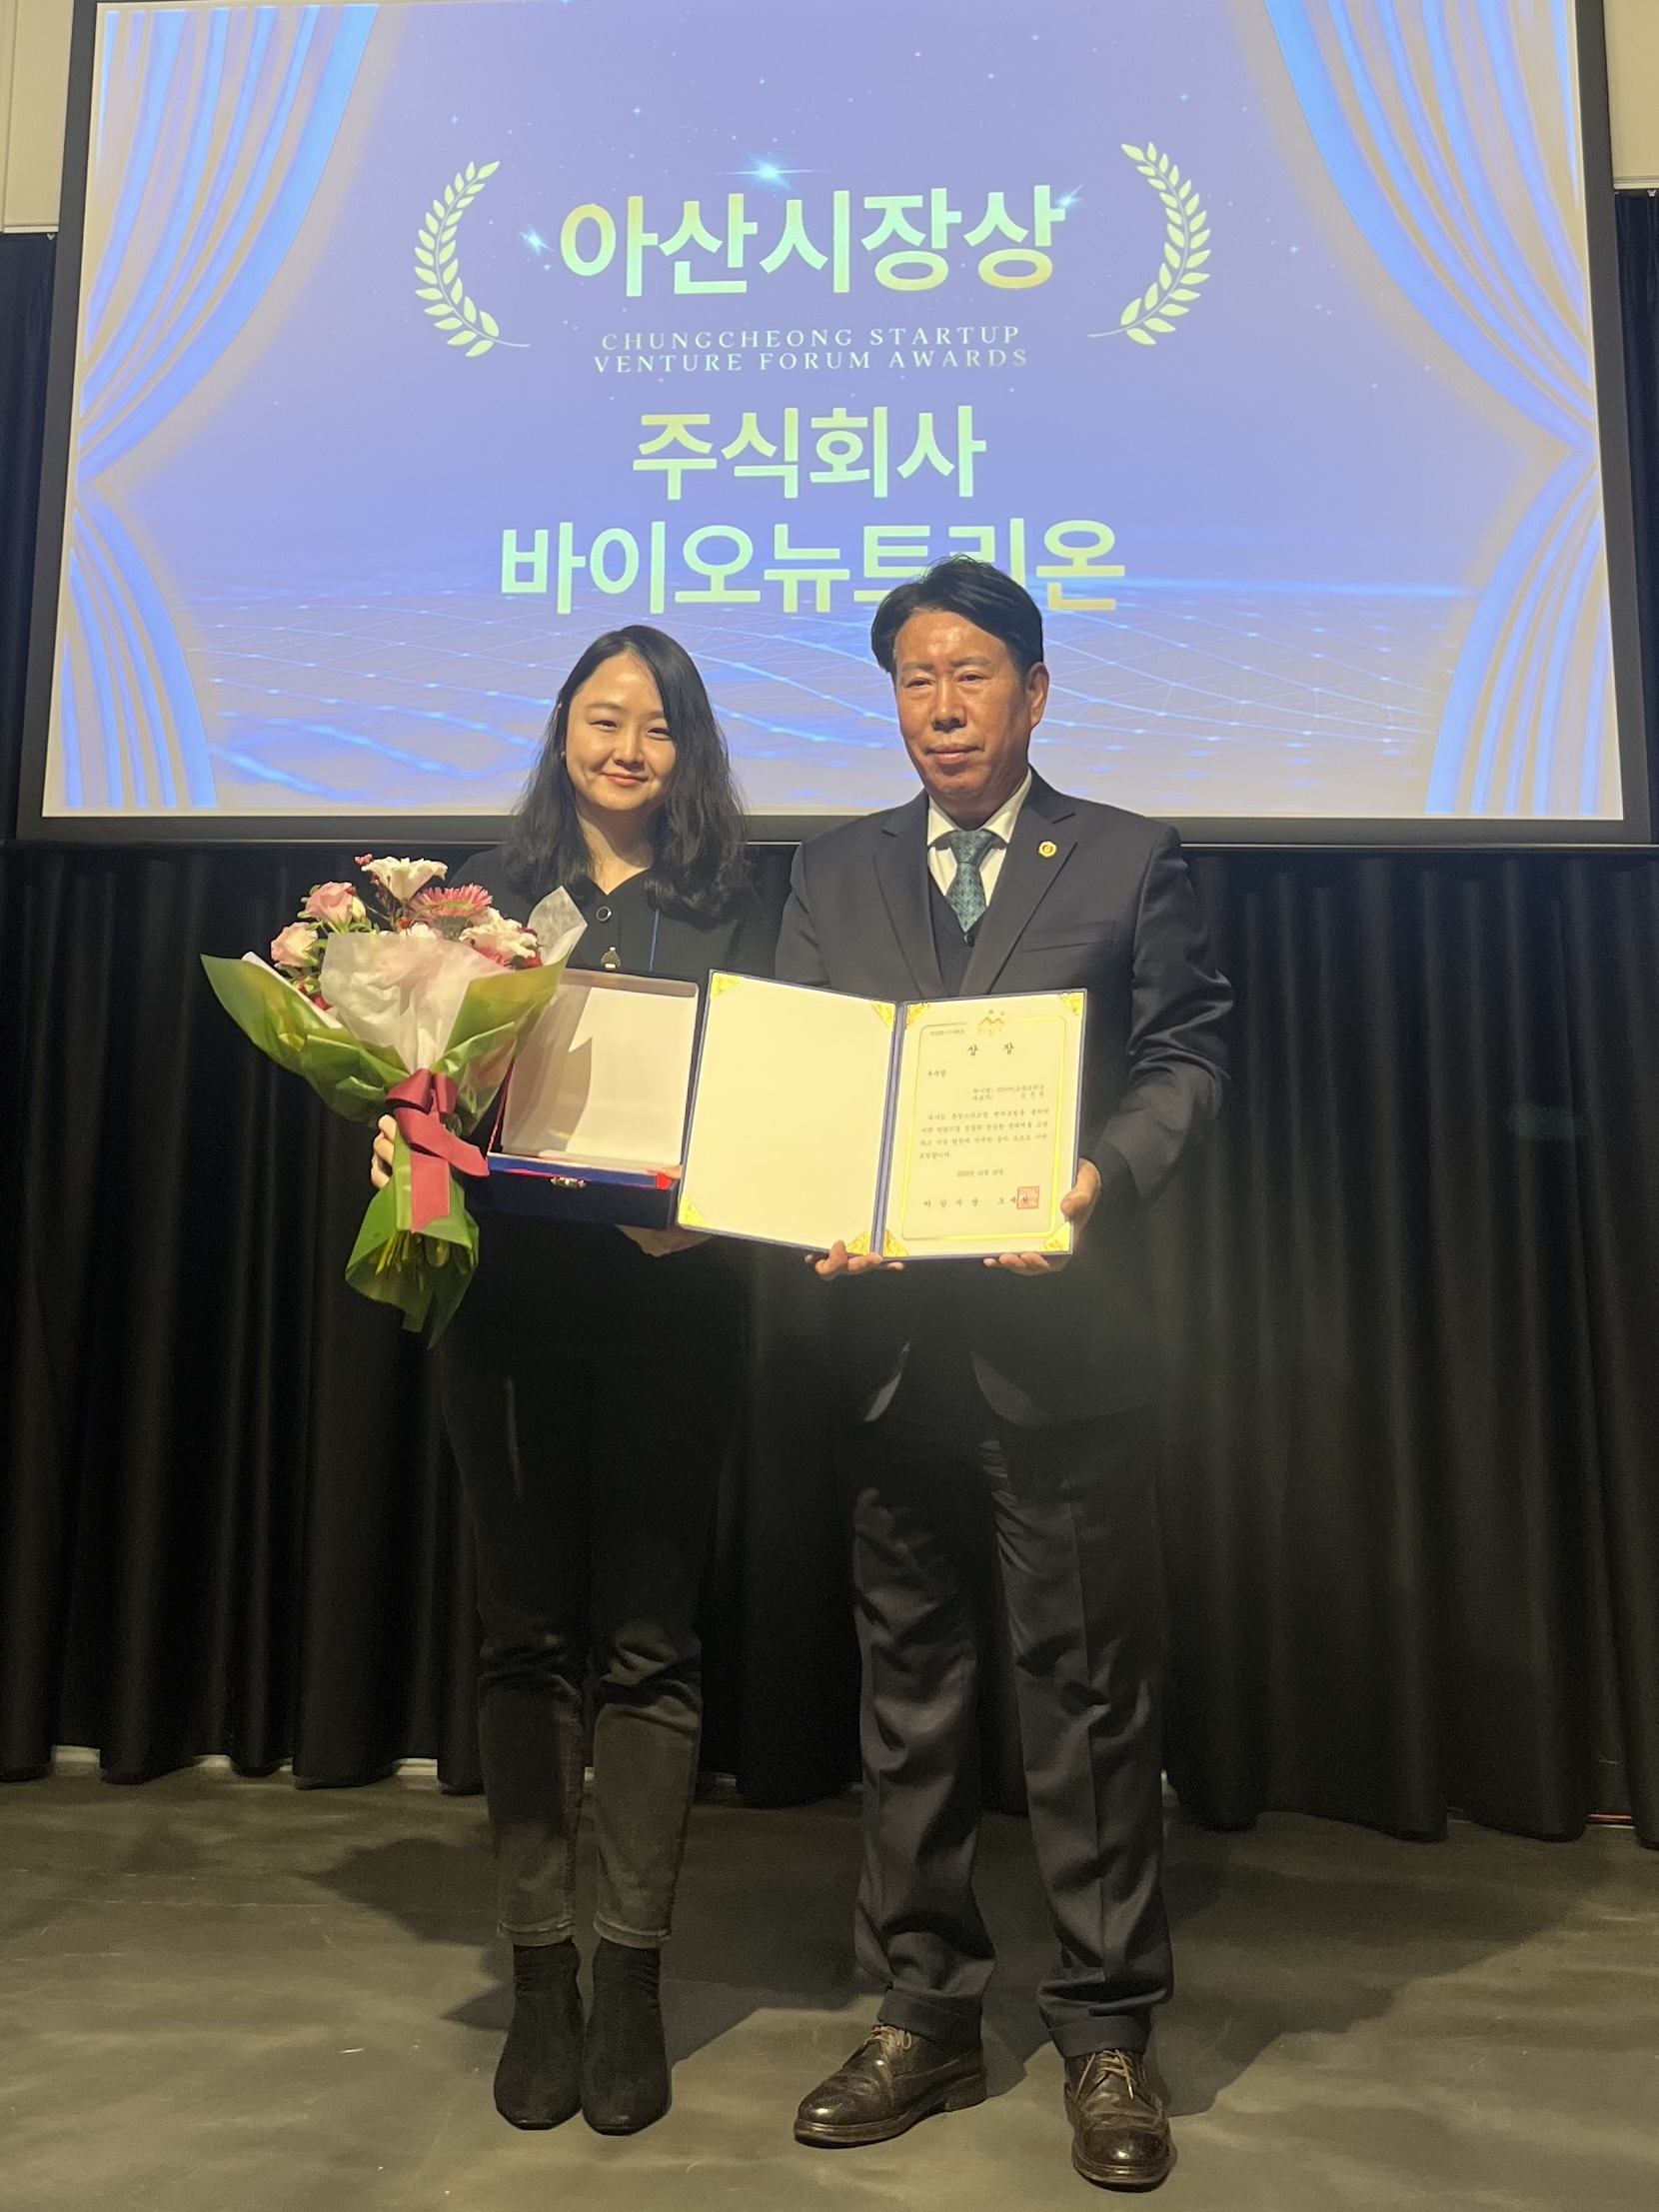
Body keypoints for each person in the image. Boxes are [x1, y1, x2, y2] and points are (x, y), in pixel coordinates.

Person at [777, 559, 1231, 2191]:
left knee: (1088, 1696)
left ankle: (1106, 2027)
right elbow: (806, 1078)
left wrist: (1098, 1178)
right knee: (909, 1698)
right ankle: (925, 2009)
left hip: (1065, 1345)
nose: (942, 707)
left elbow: (1185, 1057)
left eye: (971, 674)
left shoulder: (1128, 856)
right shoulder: (831, 869)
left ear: (1035, 692)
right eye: (915, 678)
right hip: (890, 1351)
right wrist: (815, 1195)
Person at [371, 626, 773, 2137]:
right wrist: (402, 1130)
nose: (628, 748)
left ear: (690, 749)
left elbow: (778, 1100)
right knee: (526, 1639)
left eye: (657, 726)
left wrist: (718, 1197)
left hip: (676, 1304)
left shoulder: (745, 902)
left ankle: (635, 1972)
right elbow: (425, 1085)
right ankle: (542, 1974)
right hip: (510, 1313)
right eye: (604, 719)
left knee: (653, 1645)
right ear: (561, 733)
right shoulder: (475, 904)